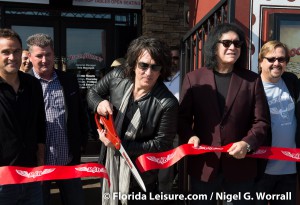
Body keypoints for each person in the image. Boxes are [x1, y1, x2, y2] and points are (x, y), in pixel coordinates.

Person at [178, 23, 270, 205]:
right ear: (214, 45)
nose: (232, 48)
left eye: (237, 44)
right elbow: (182, 119)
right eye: (226, 43)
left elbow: (262, 122)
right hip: (204, 165)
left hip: (240, 167)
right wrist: (190, 136)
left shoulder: (252, 80)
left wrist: (247, 143)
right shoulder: (194, 78)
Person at [87, 36, 179, 205]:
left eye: (155, 67)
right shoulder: (117, 76)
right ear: (134, 63)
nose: (148, 72)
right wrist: (99, 103)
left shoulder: (167, 103)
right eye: (143, 65)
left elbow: (161, 145)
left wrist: (118, 145)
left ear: (162, 70)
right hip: (109, 166)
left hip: (141, 177)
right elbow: (92, 93)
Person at [26, 33, 89, 205]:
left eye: (48, 54)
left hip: (67, 160)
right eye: (39, 55)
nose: (44, 60)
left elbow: (80, 113)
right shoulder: (23, 83)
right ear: (30, 57)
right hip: (38, 165)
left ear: (54, 55)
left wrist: (83, 142)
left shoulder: (68, 79)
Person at [0, 28, 46, 204]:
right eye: (5, 52)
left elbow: (40, 124)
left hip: (31, 177)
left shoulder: (33, 85)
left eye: (16, 51)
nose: (12, 57)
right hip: (2, 181)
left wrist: (40, 160)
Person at [255, 40, 299, 205]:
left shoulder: (292, 81)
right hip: (261, 170)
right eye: (271, 59)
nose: (277, 63)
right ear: (261, 61)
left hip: (289, 169)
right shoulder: (251, 86)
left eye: (281, 59)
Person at [158, 45, 180, 194]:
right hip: (160, 126)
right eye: (170, 58)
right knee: (163, 162)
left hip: (179, 126)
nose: (173, 61)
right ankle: (162, 194)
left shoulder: (186, 76)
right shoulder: (158, 77)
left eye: (176, 58)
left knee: (177, 162)